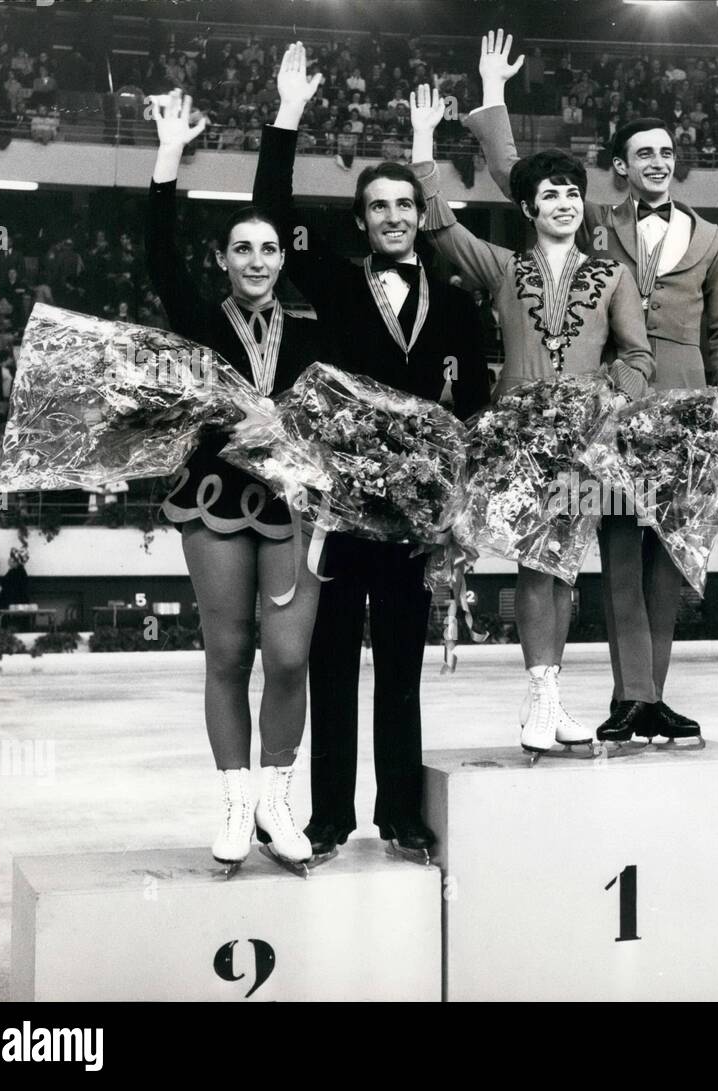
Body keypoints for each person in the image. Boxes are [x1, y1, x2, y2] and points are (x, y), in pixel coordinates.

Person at [468, 29, 718, 747]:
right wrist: (495, 94)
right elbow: (518, 178)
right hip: (612, 404)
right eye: (642, 153)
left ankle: (654, 694)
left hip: (686, 408)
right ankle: (632, 697)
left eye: (666, 151)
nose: (656, 162)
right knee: (621, 547)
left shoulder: (715, 240)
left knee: (673, 553)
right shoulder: (592, 219)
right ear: (621, 167)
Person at [254, 45, 489, 863]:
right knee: (329, 663)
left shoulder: (458, 305)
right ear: (359, 222)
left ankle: (400, 812)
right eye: (377, 207)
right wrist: (286, 118)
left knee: (400, 666)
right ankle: (327, 816)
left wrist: (454, 495)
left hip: (414, 514)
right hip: (337, 507)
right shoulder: (337, 281)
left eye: (402, 205)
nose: (392, 216)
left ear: (420, 214)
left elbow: (476, 409)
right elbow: (269, 213)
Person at [409, 80, 653, 757]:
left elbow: (637, 356)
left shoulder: (612, 277)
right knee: (532, 567)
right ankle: (538, 696)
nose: (565, 203)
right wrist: (423, 144)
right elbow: (438, 224)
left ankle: (550, 696)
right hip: (516, 442)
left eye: (573, 193)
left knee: (566, 569)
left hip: (582, 446)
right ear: (526, 207)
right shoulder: (501, 268)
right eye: (550, 194)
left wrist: (603, 398)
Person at [147, 89, 326, 875]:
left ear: (283, 258)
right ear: (223, 260)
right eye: (242, 249)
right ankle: (232, 799)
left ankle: (276, 799)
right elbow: (158, 249)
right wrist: (167, 158)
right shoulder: (200, 318)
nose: (257, 259)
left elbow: (273, 202)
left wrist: (283, 119)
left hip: (291, 504)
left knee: (288, 657)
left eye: (269, 249)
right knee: (228, 653)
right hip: (215, 503)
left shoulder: (310, 329)